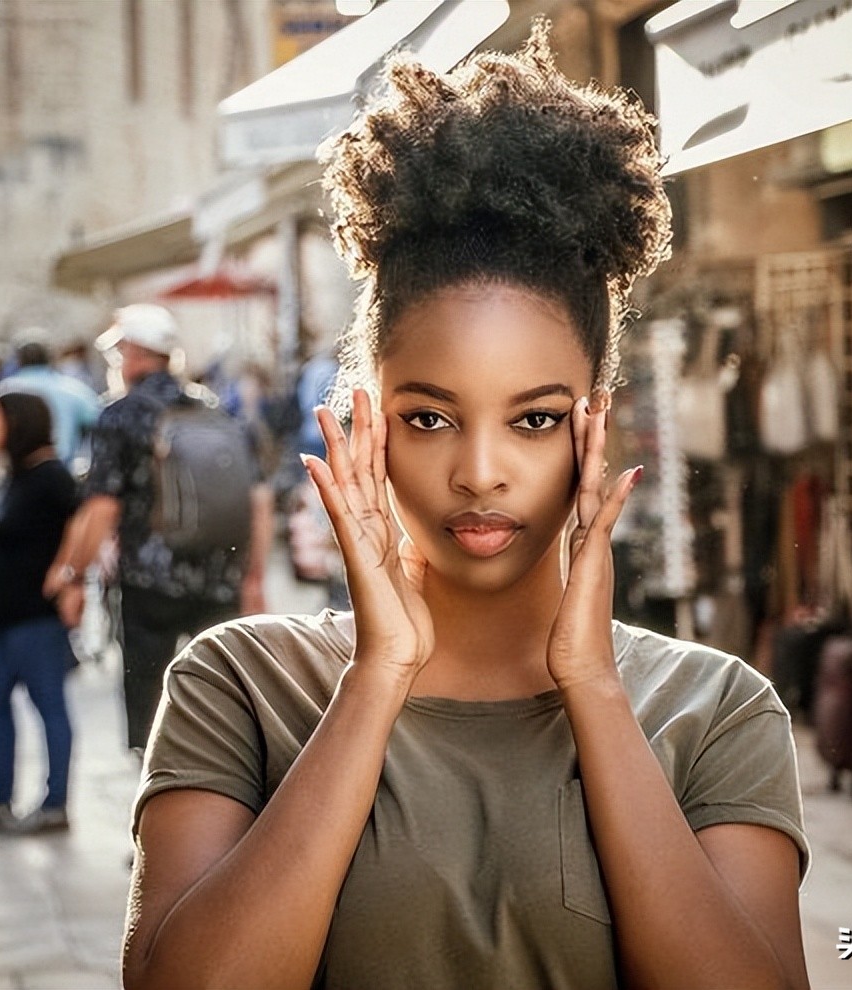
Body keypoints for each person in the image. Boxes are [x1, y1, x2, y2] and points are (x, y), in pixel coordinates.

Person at [122, 24, 810, 990]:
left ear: (595, 424)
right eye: (432, 416)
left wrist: (596, 689)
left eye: (532, 419)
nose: (481, 472)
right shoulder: (240, 684)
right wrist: (377, 678)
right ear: (368, 423)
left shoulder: (715, 710)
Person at [43, 304, 271, 753]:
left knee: (151, 707)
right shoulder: (215, 411)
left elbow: (102, 508)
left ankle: (158, 792)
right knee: (223, 701)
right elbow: (258, 500)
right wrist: (254, 577)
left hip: (151, 585)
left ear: (131, 354)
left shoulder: (122, 415)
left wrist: (72, 575)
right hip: (219, 575)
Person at [0, 390, 78, 833]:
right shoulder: (14, 474)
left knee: (49, 706)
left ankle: (55, 804)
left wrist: (68, 576)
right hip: (1, 618)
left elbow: (85, 522)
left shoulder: (51, 477)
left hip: (35, 618)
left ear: (17, 422)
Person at [0, 330, 103, 471]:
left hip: (16, 473)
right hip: (64, 470)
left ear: (18, 360)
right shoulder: (74, 389)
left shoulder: (3, 391)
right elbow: (101, 421)